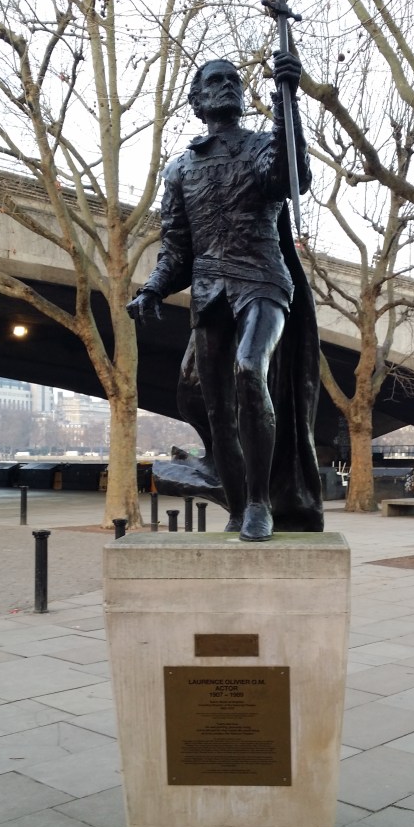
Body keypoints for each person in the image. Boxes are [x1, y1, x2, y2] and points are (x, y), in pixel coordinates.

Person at [127, 53, 323, 541]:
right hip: (210, 289)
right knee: (210, 405)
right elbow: (177, 249)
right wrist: (153, 287)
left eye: (233, 80)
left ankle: (259, 503)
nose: (227, 86)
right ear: (197, 99)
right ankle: (236, 501)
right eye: (215, 81)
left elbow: (290, 175)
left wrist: (287, 101)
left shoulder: (260, 147)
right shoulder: (180, 170)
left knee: (249, 369)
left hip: (262, 280)